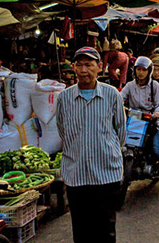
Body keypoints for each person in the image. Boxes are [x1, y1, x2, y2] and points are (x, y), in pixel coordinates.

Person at [56, 47, 126, 243]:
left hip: (106, 174)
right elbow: (63, 130)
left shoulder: (112, 95)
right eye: (79, 65)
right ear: (73, 68)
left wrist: (104, 149)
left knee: (106, 230)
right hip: (76, 175)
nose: (84, 70)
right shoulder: (64, 98)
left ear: (100, 67)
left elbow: (120, 132)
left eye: (89, 65)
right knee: (81, 231)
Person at [120, 56, 159, 191]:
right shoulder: (130, 86)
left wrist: (157, 113)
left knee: (157, 150)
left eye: (144, 70)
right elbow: (120, 98)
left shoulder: (154, 85)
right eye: (138, 69)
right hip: (134, 122)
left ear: (149, 71)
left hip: (152, 122)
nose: (140, 73)